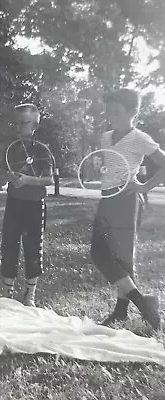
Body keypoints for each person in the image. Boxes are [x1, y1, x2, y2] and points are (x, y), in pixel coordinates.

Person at [91, 88, 165, 329]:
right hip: (107, 198)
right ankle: (141, 303)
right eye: (109, 111)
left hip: (126, 200)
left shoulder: (139, 138)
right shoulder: (105, 137)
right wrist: (98, 166)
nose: (111, 116)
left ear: (133, 112)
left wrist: (144, 187)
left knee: (121, 258)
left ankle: (123, 310)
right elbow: (104, 166)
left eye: (117, 112)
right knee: (99, 251)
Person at [0, 103, 53, 306]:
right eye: (17, 123)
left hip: (35, 204)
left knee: (33, 247)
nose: (19, 127)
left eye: (24, 123)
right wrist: (7, 178)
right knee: (9, 245)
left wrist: (27, 180)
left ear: (35, 124)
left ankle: (30, 294)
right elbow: (0, 180)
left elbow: (49, 180)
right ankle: (7, 292)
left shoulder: (42, 149)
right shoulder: (10, 149)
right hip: (14, 203)